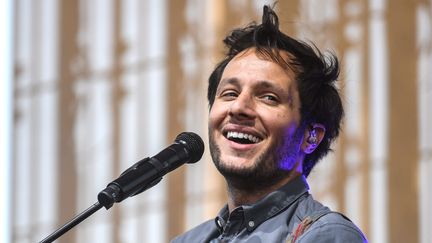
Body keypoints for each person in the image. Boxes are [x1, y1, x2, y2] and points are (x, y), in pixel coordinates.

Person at [172, 5, 367, 243]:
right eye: (230, 93)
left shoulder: (326, 234)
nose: (239, 108)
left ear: (311, 136)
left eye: (268, 97)